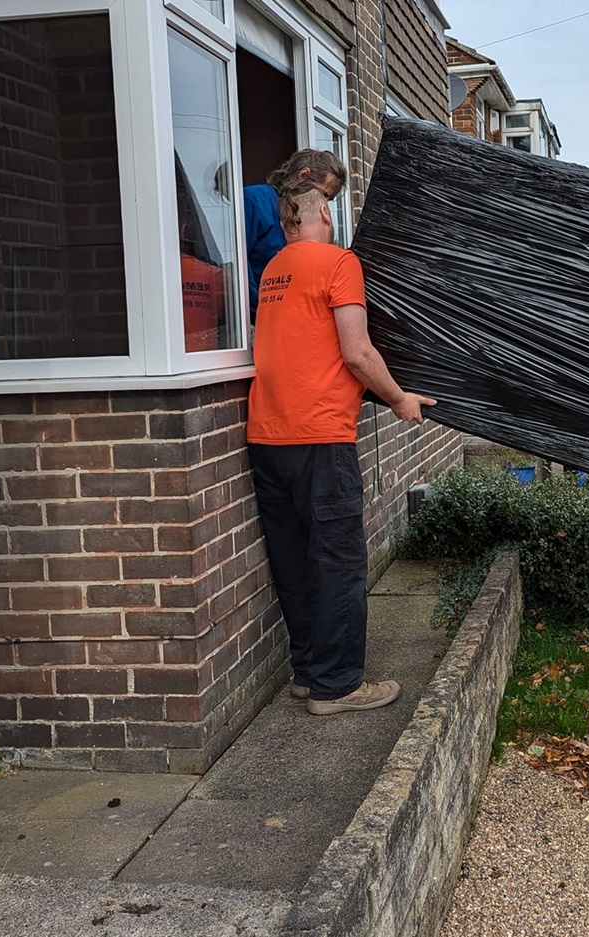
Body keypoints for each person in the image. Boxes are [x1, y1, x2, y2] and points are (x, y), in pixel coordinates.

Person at [247, 178, 436, 716]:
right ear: (324, 217)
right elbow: (356, 351)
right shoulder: (338, 263)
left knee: (293, 561)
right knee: (337, 560)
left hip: (266, 436)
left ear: (285, 223)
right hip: (320, 436)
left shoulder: (270, 273)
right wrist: (399, 398)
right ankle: (338, 687)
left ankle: (309, 674)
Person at [243, 150, 347, 318]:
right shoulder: (256, 199)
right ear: (303, 175)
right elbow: (238, 265)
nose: (323, 204)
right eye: (324, 195)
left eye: (329, 201)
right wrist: (258, 314)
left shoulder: (303, 222)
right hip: (256, 318)